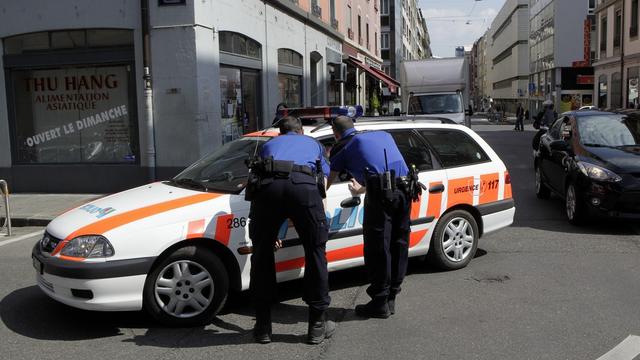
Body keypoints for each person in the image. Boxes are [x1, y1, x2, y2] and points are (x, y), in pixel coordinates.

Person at [247, 116, 334, 345]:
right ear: (301, 131)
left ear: (279, 133)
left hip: (268, 191)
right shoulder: (313, 143)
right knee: (316, 253)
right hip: (303, 189)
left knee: (262, 254)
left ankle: (263, 326)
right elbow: (325, 173)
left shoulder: (268, 145)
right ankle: (316, 325)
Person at [328, 115, 411, 319]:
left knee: (378, 247)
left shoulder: (343, 147)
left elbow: (327, 182)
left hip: (381, 197)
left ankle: (379, 302)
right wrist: (363, 188)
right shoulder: (382, 135)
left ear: (335, 134)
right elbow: (385, 173)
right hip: (406, 189)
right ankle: (391, 297)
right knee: (399, 243)